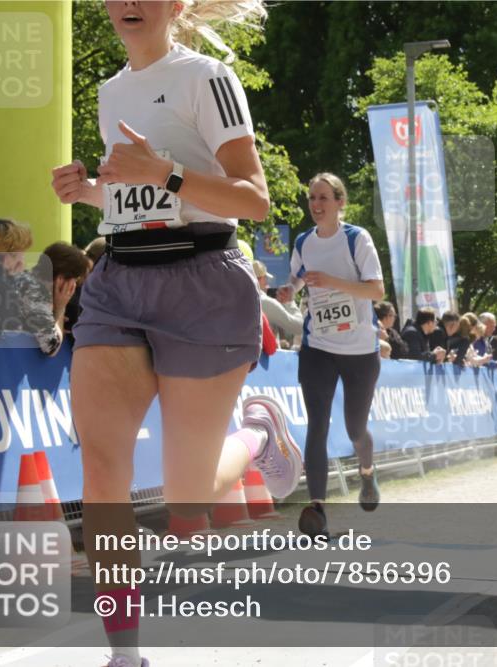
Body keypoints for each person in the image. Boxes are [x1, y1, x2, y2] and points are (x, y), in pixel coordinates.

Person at [49, 4, 301, 667]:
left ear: (177, 5)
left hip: (203, 282)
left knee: (186, 492)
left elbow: (254, 199)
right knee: (102, 472)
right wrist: (91, 192)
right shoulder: (110, 91)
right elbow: (138, 200)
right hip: (119, 281)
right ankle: (124, 653)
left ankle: (258, 435)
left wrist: (162, 171)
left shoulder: (206, 77)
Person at [278, 172, 385, 539]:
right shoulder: (304, 241)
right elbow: (297, 277)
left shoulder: (356, 238)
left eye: (323, 197)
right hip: (318, 346)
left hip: (360, 349)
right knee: (317, 425)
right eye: (312, 197)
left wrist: (332, 282)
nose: (316, 204)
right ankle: (318, 509)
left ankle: (367, 473)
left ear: (340, 202)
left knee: (355, 427)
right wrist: (289, 290)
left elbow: (376, 290)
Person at [254, 259, 303, 346]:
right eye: (265, 278)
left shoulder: (236, 299)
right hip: (263, 353)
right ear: (260, 279)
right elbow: (298, 327)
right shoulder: (266, 302)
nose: (267, 282)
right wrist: (289, 301)